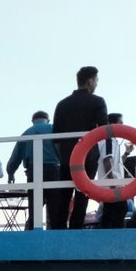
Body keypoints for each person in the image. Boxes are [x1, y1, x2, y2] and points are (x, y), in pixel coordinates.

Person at [51, 66, 108, 230]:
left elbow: (55, 136)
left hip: (67, 156)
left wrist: (62, 154)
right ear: (90, 81)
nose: (96, 84)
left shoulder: (62, 104)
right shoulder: (97, 101)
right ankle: (76, 228)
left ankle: (59, 229)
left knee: (64, 195)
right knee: (83, 193)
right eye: (96, 80)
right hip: (88, 155)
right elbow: (104, 128)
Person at [6, 111, 58, 230]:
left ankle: (33, 231)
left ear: (32, 121)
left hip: (33, 171)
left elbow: (15, 157)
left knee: (35, 205)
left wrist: (11, 173)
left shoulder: (27, 133)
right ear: (48, 120)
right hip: (54, 169)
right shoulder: (54, 129)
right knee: (55, 205)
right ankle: (56, 232)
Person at [95, 113, 130, 229]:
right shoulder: (107, 141)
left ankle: (109, 235)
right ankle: (113, 236)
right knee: (117, 211)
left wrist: (126, 153)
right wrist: (112, 184)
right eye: (120, 123)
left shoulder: (112, 142)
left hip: (114, 183)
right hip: (112, 185)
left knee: (111, 213)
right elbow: (106, 161)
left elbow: (117, 164)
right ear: (111, 124)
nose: (122, 125)